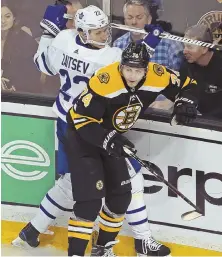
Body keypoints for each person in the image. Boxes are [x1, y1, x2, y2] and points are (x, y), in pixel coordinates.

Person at [12, 3, 171, 256]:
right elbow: (135, 72)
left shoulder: (64, 39)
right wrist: (148, 42)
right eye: (97, 32)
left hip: (66, 120)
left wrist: (47, 33)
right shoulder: (108, 57)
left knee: (73, 183)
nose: (105, 35)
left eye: (105, 29)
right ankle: (141, 240)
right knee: (129, 178)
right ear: (84, 32)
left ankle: (32, 230)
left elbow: (42, 64)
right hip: (91, 128)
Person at [65, 42, 198, 256]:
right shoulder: (105, 80)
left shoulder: (158, 75)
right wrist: (109, 138)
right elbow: (81, 119)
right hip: (84, 136)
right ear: (121, 66)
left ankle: (102, 249)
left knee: (121, 197)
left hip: (111, 138)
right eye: (128, 69)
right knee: (89, 202)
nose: (133, 75)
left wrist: (184, 102)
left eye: (138, 70)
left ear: (147, 68)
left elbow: (188, 84)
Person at [113, 0, 183, 71]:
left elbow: (179, 77)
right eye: (130, 18)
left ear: (149, 19)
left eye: (139, 17)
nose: (134, 22)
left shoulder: (170, 43)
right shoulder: (118, 44)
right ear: (125, 21)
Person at [182, 24, 222, 119]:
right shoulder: (186, 65)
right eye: (184, 46)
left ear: (204, 48)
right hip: (194, 120)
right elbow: (181, 92)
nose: (184, 51)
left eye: (190, 47)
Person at [1, 0, 40, 94]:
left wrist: (14, 87)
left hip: (16, 93)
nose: (2, 21)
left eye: (7, 16)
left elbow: (32, 73)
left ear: (14, 17)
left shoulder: (24, 38)